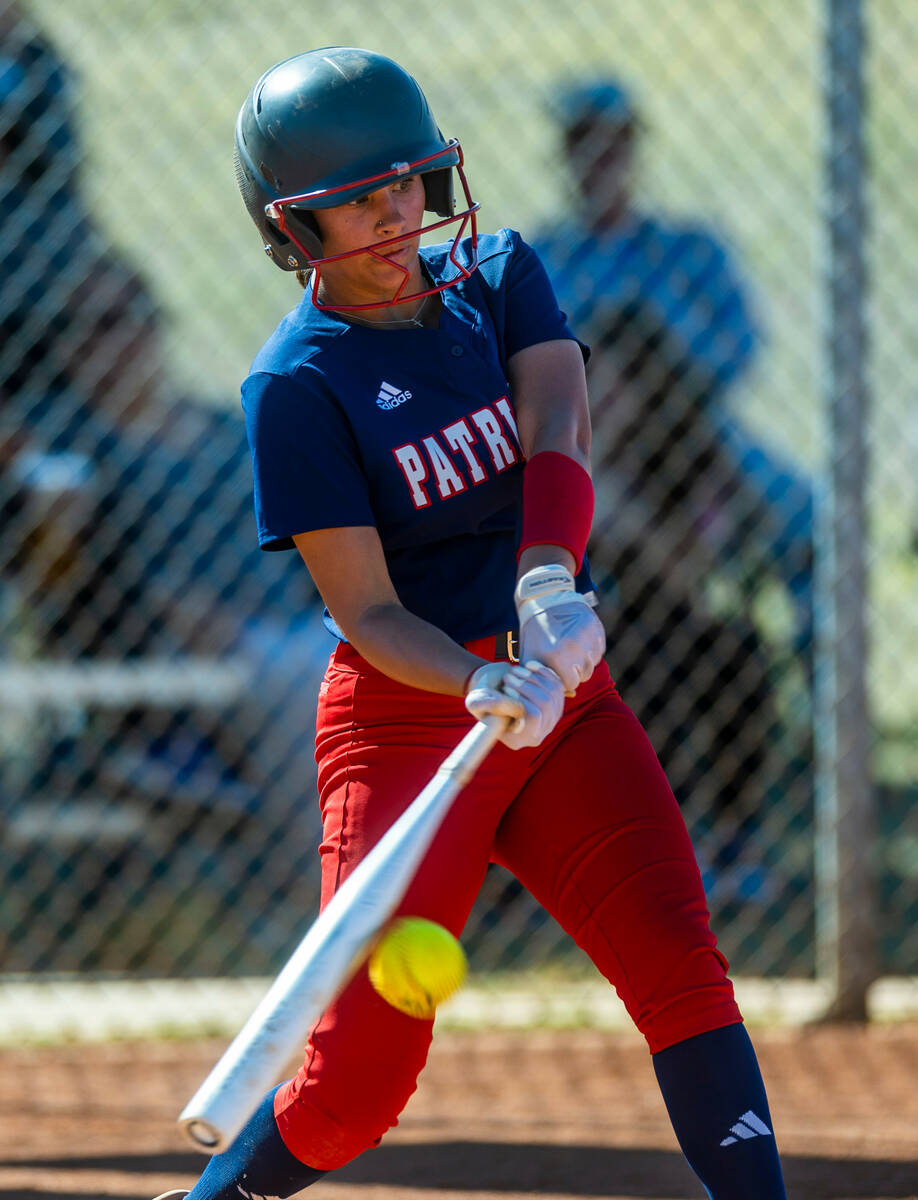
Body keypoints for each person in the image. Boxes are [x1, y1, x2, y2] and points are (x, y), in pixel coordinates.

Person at [152, 47, 787, 1200]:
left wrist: (547, 584)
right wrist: (473, 683)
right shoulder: (296, 386)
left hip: (559, 686)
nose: (399, 213)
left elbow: (558, 426)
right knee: (354, 1093)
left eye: (410, 181)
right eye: (360, 200)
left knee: (682, 973)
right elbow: (368, 610)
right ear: (296, 229)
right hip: (409, 723)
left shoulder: (497, 276)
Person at [532, 79, 814, 896]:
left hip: (695, 432)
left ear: (634, 148)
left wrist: (663, 383)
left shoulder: (687, 248)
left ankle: (828, 722)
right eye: (583, 143)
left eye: (613, 142)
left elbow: (735, 351)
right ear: (567, 155)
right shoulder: (548, 255)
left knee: (803, 517)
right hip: (583, 444)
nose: (599, 159)